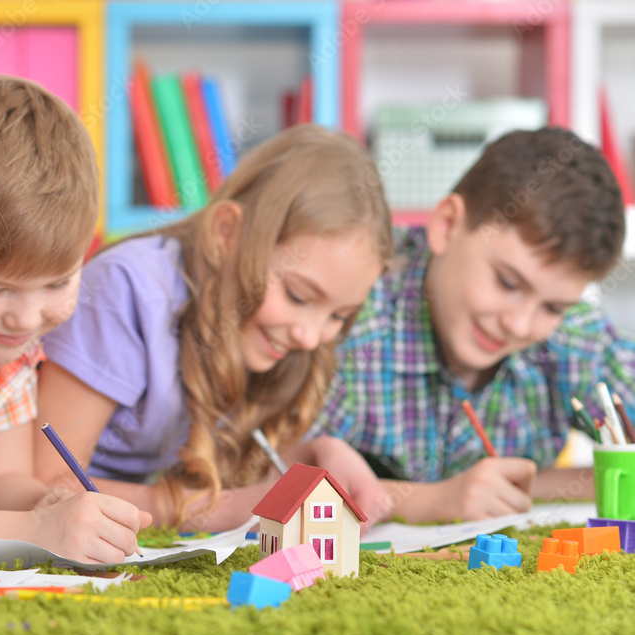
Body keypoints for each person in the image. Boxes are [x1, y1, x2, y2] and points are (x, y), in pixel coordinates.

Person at [35, 124, 394, 531]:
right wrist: (219, 508)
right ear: (227, 232)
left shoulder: (259, 334)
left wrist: (315, 452)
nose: (310, 337)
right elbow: (44, 484)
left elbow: (219, 463)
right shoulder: (128, 290)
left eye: (339, 316)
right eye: (297, 295)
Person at [306, 127, 635, 522]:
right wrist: (430, 500)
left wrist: (535, 485)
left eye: (553, 306)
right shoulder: (349, 309)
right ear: (446, 225)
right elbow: (262, 475)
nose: (518, 324)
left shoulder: (576, 337)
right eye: (507, 282)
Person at [0, 76, 148, 564]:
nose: (27, 317)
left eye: (58, 283)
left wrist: (44, 503)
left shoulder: (6, 355)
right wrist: (34, 530)